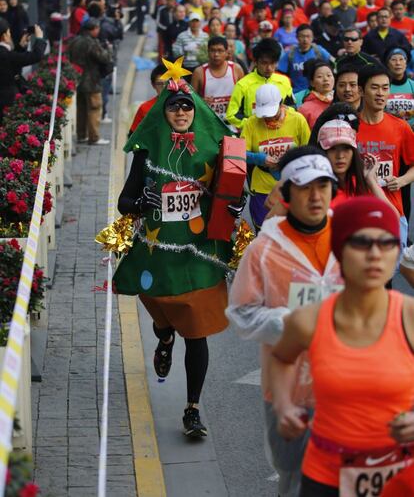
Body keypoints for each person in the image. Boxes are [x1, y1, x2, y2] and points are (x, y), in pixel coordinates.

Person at [114, 66, 240, 438]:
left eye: (187, 106)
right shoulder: (149, 150)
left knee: (196, 333)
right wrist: (140, 201)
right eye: (174, 107)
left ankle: (192, 409)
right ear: (163, 112)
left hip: (199, 255)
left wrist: (234, 205)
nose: (182, 112)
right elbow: (124, 201)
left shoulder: (214, 149)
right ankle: (163, 336)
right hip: (157, 258)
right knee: (163, 313)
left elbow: (235, 192)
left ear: (196, 110)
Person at [270, 196, 414, 497]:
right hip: (327, 476)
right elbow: (281, 358)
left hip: (402, 477)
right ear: (340, 250)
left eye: (386, 243)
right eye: (361, 243)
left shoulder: (410, 317)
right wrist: (283, 405)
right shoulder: (308, 320)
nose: (375, 254)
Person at [226, 145, 342, 497]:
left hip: (344, 384)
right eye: (305, 187)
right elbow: (241, 312)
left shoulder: (349, 238)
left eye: (323, 186)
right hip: (288, 390)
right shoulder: (264, 249)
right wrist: (289, 323)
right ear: (287, 193)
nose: (316, 196)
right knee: (293, 478)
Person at [356, 64, 414, 245]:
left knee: (390, 272)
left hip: (393, 211)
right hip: (357, 211)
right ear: (361, 91)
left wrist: (403, 180)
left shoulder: (401, 127)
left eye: (385, 87)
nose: (381, 93)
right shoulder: (349, 127)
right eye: (374, 87)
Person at [241, 84, 310, 231]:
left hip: (292, 185)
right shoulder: (251, 123)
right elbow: (240, 152)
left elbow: (309, 151)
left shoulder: (298, 120)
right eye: (264, 113)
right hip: (261, 187)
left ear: (281, 103)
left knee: (292, 230)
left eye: (271, 111)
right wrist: (259, 159)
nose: (268, 116)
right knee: (264, 230)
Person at [309, 104, 393, 209]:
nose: (340, 156)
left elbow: (393, 218)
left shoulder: (361, 183)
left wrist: (371, 181)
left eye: (346, 148)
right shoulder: (313, 190)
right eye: (332, 148)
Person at [225, 38, 293, 130]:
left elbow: (293, 107)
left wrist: (284, 112)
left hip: (280, 132)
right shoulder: (243, 84)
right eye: (264, 63)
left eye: (272, 63)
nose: (268, 68)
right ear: (256, 62)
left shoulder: (284, 81)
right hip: (253, 135)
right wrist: (252, 124)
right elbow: (231, 115)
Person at [68, 18, 112, 146]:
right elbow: (104, 58)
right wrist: (108, 49)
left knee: (81, 108)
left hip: (77, 79)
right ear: (92, 29)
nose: (98, 31)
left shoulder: (75, 41)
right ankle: (94, 137)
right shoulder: (91, 43)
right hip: (92, 80)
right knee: (94, 108)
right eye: (97, 28)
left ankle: (81, 135)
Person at [0, 19, 47, 119]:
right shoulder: (4, 54)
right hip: (7, 103)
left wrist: (21, 46)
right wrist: (39, 38)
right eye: (9, 32)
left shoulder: (6, 54)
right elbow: (36, 56)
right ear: (4, 36)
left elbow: (10, 63)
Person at [191, 36, 243, 121]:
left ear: (226, 52)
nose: (216, 54)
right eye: (213, 50)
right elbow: (191, 99)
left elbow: (244, 96)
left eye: (220, 50)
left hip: (233, 122)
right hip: (209, 122)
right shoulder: (199, 72)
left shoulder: (236, 69)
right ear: (208, 52)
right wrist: (201, 101)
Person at [278, 24, 332, 93]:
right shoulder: (290, 53)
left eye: (308, 36)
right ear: (297, 37)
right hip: (296, 93)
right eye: (302, 36)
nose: (305, 39)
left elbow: (333, 63)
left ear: (312, 37)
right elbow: (280, 73)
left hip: (316, 93)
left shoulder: (319, 51)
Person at [129, 64, 166, 135]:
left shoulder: (184, 107)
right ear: (153, 85)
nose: (164, 87)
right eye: (160, 84)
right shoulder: (145, 108)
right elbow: (133, 136)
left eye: (167, 83)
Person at [298, 60, 334, 129]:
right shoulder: (304, 109)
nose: (326, 79)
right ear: (312, 83)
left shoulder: (341, 101)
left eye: (329, 75)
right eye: (320, 76)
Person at [384, 47, 414, 125]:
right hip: (390, 129)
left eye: (401, 59)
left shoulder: (412, 85)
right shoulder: (382, 86)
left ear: (406, 63)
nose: (398, 63)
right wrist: (394, 116)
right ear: (387, 64)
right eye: (393, 60)